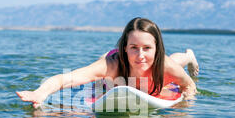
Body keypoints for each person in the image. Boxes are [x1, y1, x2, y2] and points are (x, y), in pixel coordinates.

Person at [16, 17, 199, 109]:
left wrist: (185, 105)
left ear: (157, 48)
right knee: (100, 74)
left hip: (159, 68)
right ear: (125, 47)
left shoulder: (164, 64)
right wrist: (40, 92)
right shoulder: (112, 65)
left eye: (147, 48)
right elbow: (67, 79)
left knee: (175, 62)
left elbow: (188, 85)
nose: (140, 55)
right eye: (134, 47)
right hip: (115, 67)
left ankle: (189, 55)